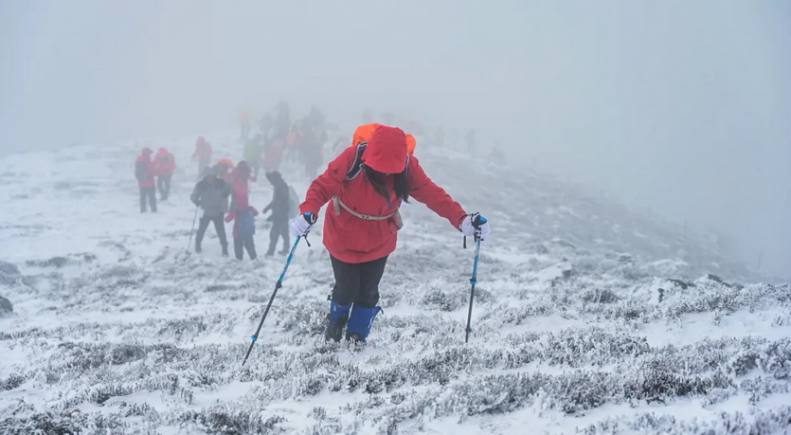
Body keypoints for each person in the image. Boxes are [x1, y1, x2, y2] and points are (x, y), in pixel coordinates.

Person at [291, 125, 491, 343]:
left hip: (379, 240)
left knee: (369, 292)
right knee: (346, 288)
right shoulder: (352, 158)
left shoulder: (408, 167)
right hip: (343, 236)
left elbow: (433, 195)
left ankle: (357, 338)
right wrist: (308, 212)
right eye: (380, 167)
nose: (385, 173)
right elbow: (323, 186)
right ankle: (334, 330)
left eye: (390, 169)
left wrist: (461, 219)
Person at [190, 165, 231, 256]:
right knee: (201, 229)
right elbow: (193, 196)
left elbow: (229, 188)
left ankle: (224, 248)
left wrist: (226, 194)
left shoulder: (222, 183)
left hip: (218, 211)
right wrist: (196, 201)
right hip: (205, 211)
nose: (210, 178)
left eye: (212, 176)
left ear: (215, 176)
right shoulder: (200, 185)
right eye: (208, 176)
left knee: (221, 231)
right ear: (205, 176)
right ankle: (198, 244)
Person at [226, 161, 258, 260]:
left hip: (241, 211)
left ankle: (241, 257)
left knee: (239, 235)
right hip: (244, 211)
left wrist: (230, 216)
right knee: (246, 235)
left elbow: (237, 201)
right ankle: (252, 256)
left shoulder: (238, 177)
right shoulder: (239, 177)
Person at [262, 171, 291, 256]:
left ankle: (273, 251)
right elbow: (275, 201)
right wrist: (267, 208)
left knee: (278, 233)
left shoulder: (282, 187)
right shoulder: (278, 186)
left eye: (272, 180)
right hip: (280, 214)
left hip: (281, 214)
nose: (271, 182)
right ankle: (282, 250)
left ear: (276, 178)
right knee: (280, 233)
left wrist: (273, 213)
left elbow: (280, 202)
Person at [134, 147, 157, 213]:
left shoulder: (139, 160)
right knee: (151, 197)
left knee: (142, 197)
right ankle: (153, 210)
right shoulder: (146, 160)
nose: (150, 154)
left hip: (142, 183)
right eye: (149, 153)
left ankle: (143, 210)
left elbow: (137, 173)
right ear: (147, 153)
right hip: (149, 182)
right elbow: (151, 170)